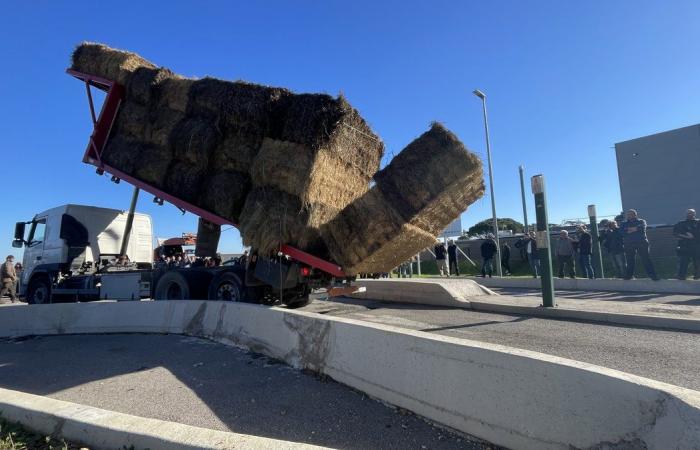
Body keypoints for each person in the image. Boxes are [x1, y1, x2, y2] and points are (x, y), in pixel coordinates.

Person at [621, 209, 658, 280]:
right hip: (629, 244)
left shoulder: (641, 221)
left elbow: (642, 229)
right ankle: (629, 276)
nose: (629, 215)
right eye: (628, 214)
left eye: (631, 214)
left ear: (635, 215)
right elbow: (622, 232)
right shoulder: (623, 223)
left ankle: (653, 275)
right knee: (629, 260)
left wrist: (628, 230)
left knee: (646, 259)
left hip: (642, 243)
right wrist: (635, 229)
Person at [673, 208, 700, 280]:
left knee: (697, 262)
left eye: (691, 213)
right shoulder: (681, 223)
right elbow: (675, 233)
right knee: (683, 261)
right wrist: (686, 236)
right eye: (688, 213)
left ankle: (697, 276)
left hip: (697, 246)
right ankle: (681, 276)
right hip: (684, 246)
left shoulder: (698, 222)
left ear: (694, 214)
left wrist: (692, 236)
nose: (689, 214)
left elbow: (697, 234)